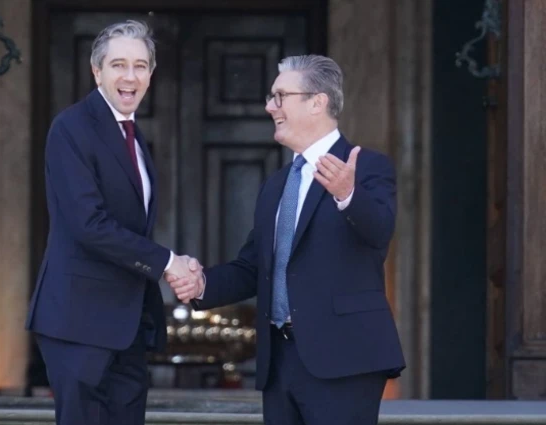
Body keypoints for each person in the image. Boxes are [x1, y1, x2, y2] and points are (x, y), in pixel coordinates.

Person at [169, 54, 405, 425]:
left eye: (280, 96)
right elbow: (253, 266)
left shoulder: (367, 166)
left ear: (317, 102)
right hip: (280, 362)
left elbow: (379, 232)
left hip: (343, 360)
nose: (269, 106)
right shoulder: (277, 184)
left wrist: (347, 194)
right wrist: (202, 284)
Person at [25, 20, 201, 425]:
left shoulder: (134, 136)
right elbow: (89, 223)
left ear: (151, 76)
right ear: (96, 71)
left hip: (127, 326)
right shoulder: (71, 128)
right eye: (118, 64)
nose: (130, 76)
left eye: (140, 66)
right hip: (79, 323)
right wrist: (168, 263)